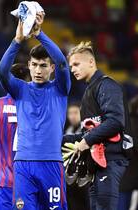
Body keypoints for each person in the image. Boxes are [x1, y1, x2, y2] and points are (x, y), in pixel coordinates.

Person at [0, 13, 71, 210]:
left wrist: (39, 34)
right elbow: (1, 72)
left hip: (51, 163)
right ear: (29, 65)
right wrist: (17, 41)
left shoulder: (60, 88)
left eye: (43, 66)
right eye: (35, 65)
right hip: (23, 164)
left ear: (52, 68)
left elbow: (64, 63)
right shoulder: (20, 89)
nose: (38, 70)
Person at [67, 41, 129, 210]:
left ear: (91, 62)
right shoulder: (89, 91)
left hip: (110, 160)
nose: (73, 69)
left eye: (76, 64)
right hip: (96, 164)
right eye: (71, 66)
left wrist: (86, 142)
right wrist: (60, 139)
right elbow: (87, 133)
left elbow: (115, 121)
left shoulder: (106, 85)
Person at [0, 64, 30, 210]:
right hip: (29, 178)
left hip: (4, 178)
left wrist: (4, 146)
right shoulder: (34, 105)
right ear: (27, 81)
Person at [64, 102, 90, 210]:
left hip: (85, 174)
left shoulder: (87, 131)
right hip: (70, 175)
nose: (73, 116)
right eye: (70, 113)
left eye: (76, 112)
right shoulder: (67, 131)